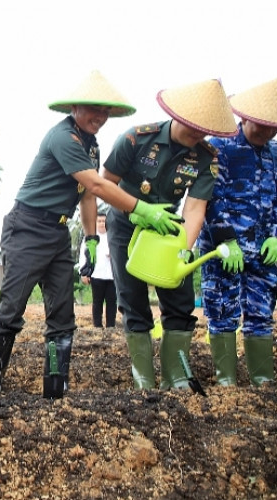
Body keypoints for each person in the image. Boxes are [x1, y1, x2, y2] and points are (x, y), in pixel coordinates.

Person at [0, 70, 183, 399]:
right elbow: (97, 185)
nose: (100, 117)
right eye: (93, 109)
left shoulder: (91, 145)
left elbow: (86, 196)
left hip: (59, 231)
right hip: (28, 228)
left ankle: (55, 390)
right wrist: (141, 209)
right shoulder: (63, 137)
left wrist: (90, 238)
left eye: (105, 111)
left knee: (62, 317)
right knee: (11, 311)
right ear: (74, 107)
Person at [101, 78, 238, 390]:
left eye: (205, 129)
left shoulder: (206, 157)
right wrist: (135, 210)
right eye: (193, 125)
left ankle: (175, 378)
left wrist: (183, 250)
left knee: (179, 298)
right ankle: (143, 381)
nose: (197, 133)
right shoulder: (137, 139)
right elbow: (105, 183)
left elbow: (194, 207)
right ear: (177, 114)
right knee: (133, 299)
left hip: (166, 229)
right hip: (126, 222)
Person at [197, 79, 277, 387]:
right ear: (244, 117)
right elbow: (208, 198)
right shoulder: (218, 147)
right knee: (221, 308)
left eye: (273, 127)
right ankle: (226, 380)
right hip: (224, 249)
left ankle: (261, 379)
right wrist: (225, 238)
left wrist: (275, 234)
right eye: (261, 125)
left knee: (261, 313)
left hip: (263, 249)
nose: (267, 132)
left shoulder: (274, 155)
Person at [78, 210, 117, 329]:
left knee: (111, 302)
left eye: (103, 221)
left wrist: (113, 255)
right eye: (99, 221)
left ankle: (111, 325)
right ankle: (97, 325)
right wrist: (83, 273)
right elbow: (82, 256)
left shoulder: (114, 236)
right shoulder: (90, 238)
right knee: (97, 302)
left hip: (112, 275)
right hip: (96, 273)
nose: (101, 223)